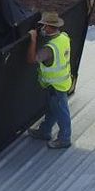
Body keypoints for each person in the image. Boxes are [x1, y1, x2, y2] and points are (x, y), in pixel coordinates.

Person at [29, 11, 74, 149]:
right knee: (53, 109)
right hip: (61, 83)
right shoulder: (64, 37)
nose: (42, 28)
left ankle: (64, 139)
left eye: (43, 26)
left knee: (61, 112)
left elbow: (31, 60)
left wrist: (33, 40)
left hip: (56, 86)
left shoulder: (49, 49)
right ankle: (45, 131)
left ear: (49, 27)